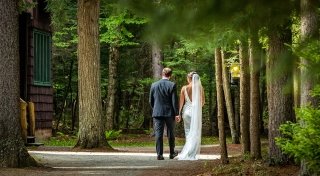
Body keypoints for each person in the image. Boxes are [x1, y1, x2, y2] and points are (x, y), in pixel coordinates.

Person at [149, 67, 180, 160]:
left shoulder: (154, 85)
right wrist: (177, 114)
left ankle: (159, 154)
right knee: (171, 133)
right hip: (169, 113)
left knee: (158, 134)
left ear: (162, 74)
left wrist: (155, 109)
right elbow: (174, 101)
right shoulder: (172, 85)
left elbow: (151, 100)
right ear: (170, 75)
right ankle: (172, 153)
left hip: (157, 112)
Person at [178, 71, 205, 160]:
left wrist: (178, 114)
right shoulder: (200, 88)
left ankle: (187, 151)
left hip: (186, 112)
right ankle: (191, 154)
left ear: (189, 78)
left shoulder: (184, 88)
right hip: (195, 112)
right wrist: (197, 108)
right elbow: (203, 102)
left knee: (188, 131)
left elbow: (181, 102)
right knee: (195, 132)